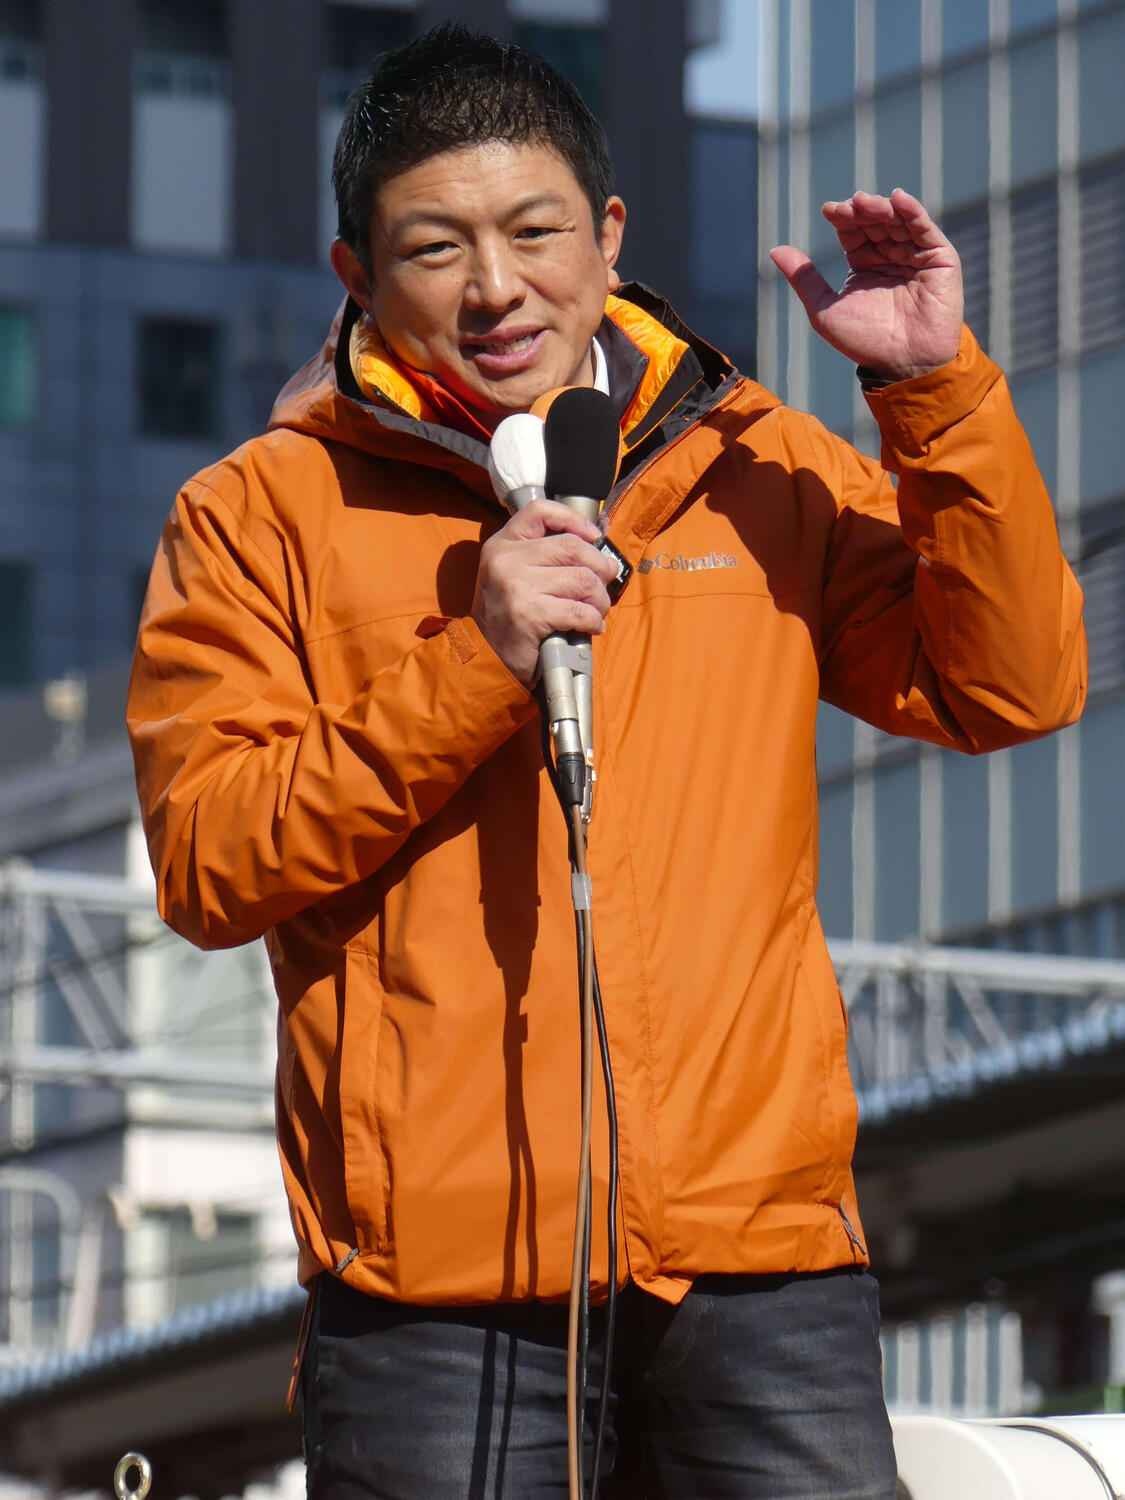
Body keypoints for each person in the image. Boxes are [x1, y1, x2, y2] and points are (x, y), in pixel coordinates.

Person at [126, 24, 1086, 1500]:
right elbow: (209, 860)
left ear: (610, 233)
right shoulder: (258, 517)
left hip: (759, 1262)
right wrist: (474, 659)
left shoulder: (752, 464)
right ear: (355, 276)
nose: (495, 287)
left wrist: (937, 393)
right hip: (435, 1293)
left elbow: (1011, 686)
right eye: (435, 247)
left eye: (535, 232)